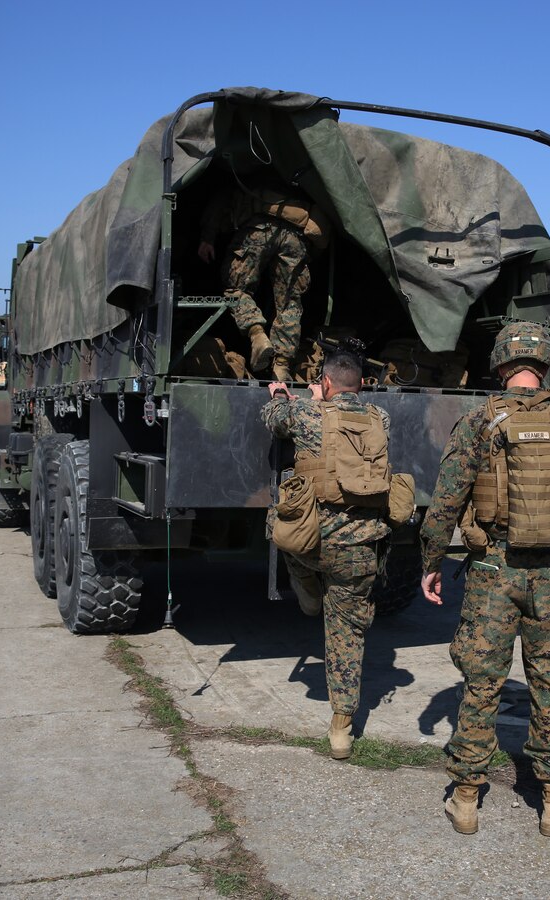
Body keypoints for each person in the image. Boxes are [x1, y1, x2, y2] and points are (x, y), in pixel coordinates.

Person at [420, 321, 550, 837]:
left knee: (481, 682)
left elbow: (444, 502)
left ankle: (466, 798)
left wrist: (429, 564)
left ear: (501, 364)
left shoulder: (477, 422)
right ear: (544, 364)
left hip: (492, 571)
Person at [262, 342, 391, 758]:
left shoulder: (305, 412)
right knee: (346, 635)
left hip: (312, 545)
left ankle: (307, 592)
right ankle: (341, 727)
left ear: (327, 381)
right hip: (361, 548)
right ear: (361, 385)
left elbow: (273, 420)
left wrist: (290, 395)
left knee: (279, 528)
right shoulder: (379, 417)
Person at [199, 183, 329, 381]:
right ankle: (282, 366)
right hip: (295, 236)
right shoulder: (303, 173)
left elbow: (221, 198)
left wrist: (207, 237)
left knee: (235, 288)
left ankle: (257, 334)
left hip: (258, 228)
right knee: (289, 304)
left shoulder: (251, 163)